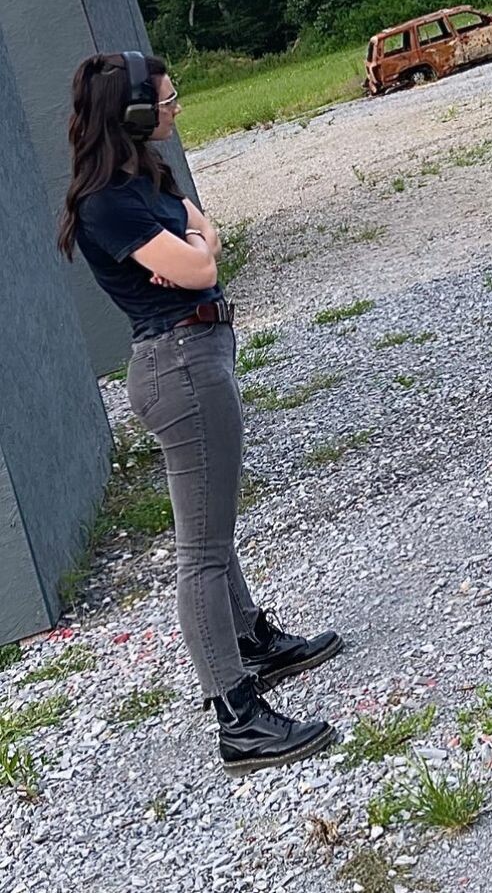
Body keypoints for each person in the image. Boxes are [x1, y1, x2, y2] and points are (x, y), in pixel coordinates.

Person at [59, 51, 342, 773]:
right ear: (131, 112)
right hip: (178, 366)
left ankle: (251, 641)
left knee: (212, 524)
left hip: (199, 352)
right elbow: (202, 265)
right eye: (166, 98)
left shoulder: (147, 174)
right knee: (202, 553)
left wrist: (191, 246)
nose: (176, 106)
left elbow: (203, 236)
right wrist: (192, 251)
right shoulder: (106, 202)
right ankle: (236, 715)